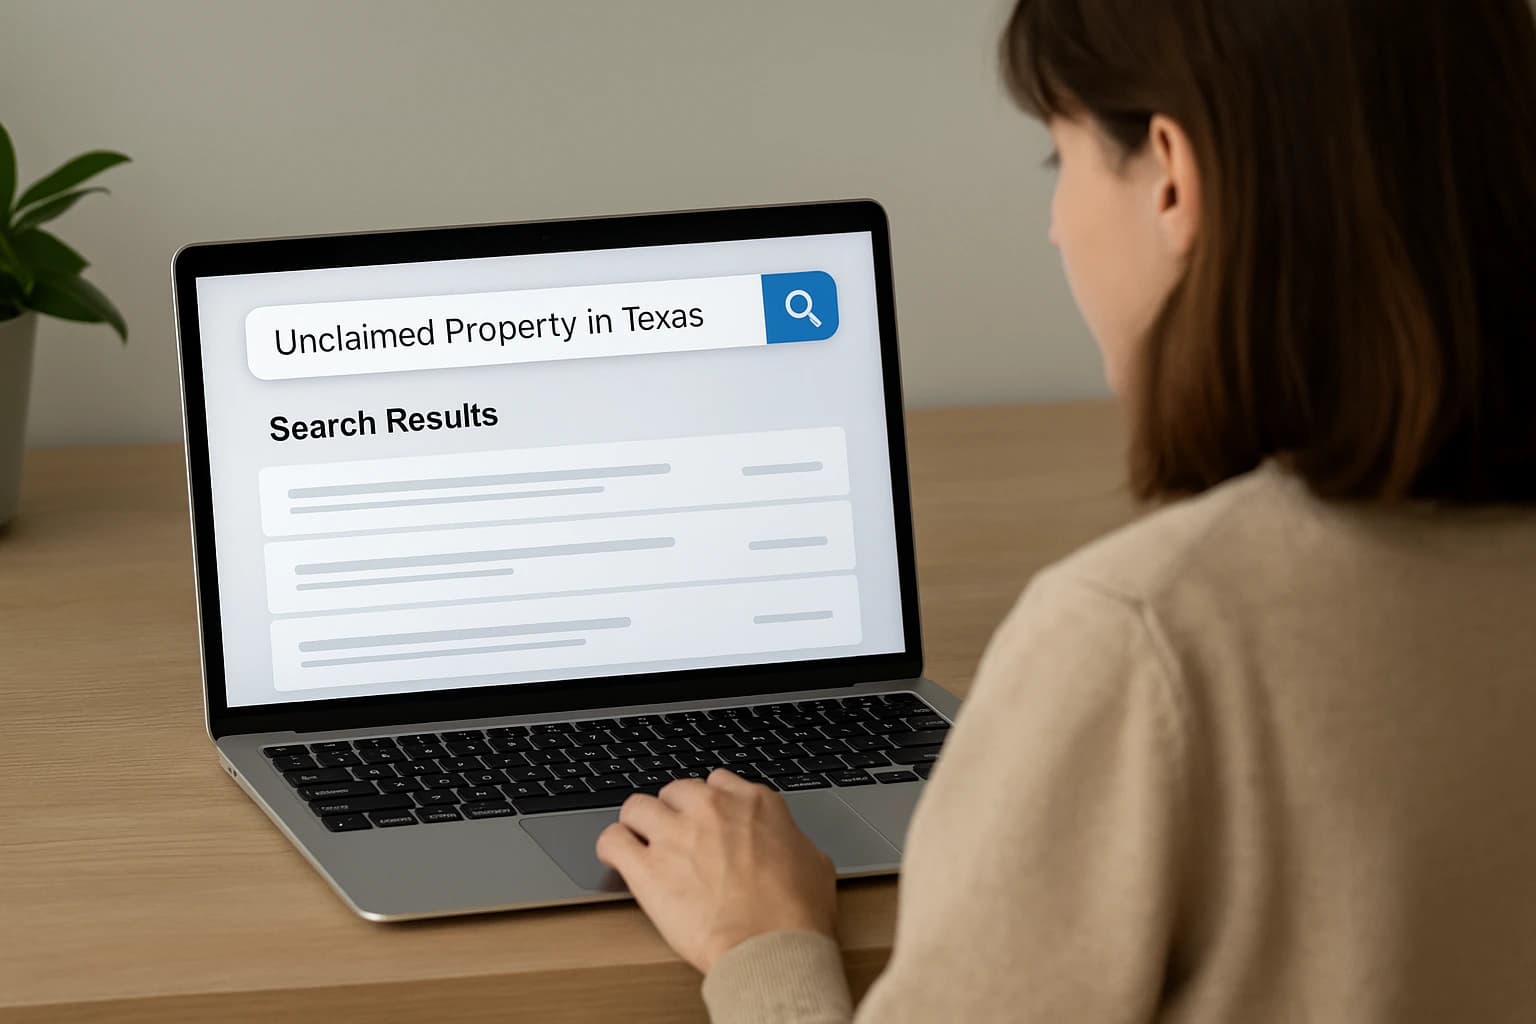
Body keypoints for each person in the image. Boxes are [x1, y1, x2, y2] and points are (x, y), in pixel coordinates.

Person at [593, 0, 1536, 1019]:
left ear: (1171, 177)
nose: (1055, 223)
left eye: (1062, 158)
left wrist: (760, 941)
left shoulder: (1140, 639)